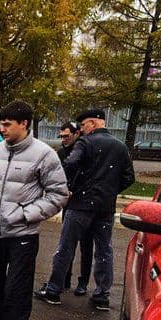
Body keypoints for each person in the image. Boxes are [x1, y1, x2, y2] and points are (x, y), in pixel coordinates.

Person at [0, 100, 68, 320]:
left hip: (23, 237)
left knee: (15, 294)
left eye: (7, 124)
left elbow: (58, 194)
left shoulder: (44, 155)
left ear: (24, 124)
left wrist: (24, 214)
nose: (1, 129)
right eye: (0, 124)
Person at [34, 109, 135, 311]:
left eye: (83, 126)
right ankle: (101, 296)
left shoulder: (85, 142)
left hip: (81, 203)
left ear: (92, 123)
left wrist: (67, 187)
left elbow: (69, 165)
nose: (82, 130)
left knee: (66, 247)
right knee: (104, 250)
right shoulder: (120, 146)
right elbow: (129, 177)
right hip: (105, 207)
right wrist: (110, 191)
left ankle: (54, 290)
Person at [58, 121, 93, 296]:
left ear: (76, 134)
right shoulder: (61, 152)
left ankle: (83, 282)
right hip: (70, 201)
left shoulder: (87, 149)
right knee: (66, 243)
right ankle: (64, 278)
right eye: (61, 136)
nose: (63, 139)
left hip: (85, 202)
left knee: (86, 245)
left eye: (66, 136)